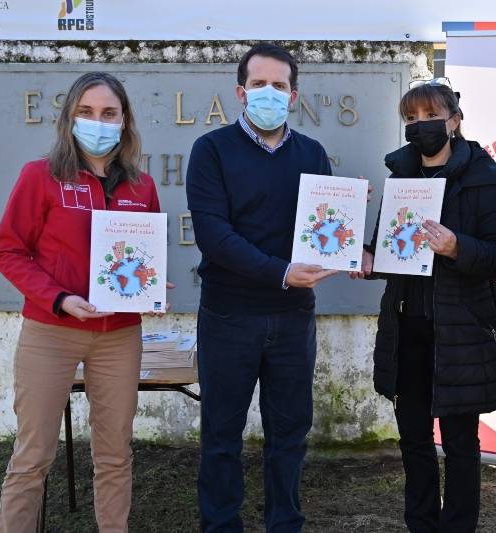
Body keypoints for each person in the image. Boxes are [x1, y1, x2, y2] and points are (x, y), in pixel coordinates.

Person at [0, 72, 163, 532]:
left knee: (114, 454)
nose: (98, 122)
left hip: (119, 337)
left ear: (124, 121)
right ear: (69, 118)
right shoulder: (40, 176)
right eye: (86, 112)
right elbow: (7, 251)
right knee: (32, 457)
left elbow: (141, 257)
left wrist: (150, 287)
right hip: (51, 333)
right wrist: (60, 298)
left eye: (109, 113)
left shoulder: (141, 187)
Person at [352, 80, 496, 533]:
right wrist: (367, 260)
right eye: (410, 118)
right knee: (413, 439)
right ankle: (421, 524)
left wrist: (455, 248)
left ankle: (458, 525)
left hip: (461, 329)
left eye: (429, 115)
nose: (420, 126)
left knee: (461, 441)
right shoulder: (400, 177)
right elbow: (390, 249)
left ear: (454, 121)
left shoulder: (484, 176)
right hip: (406, 328)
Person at [185, 43, 337, 532]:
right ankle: (221, 525)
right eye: (259, 84)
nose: (269, 93)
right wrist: (280, 271)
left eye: (279, 85)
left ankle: (284, 524)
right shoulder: (211, 150)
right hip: (229, 317)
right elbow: (214, 235)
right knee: (222, 437)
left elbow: (323, 235)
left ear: (294, 95)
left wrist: (344, 219)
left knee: (290, 436)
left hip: (294, 319)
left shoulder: (312, 154)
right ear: (240, 91)